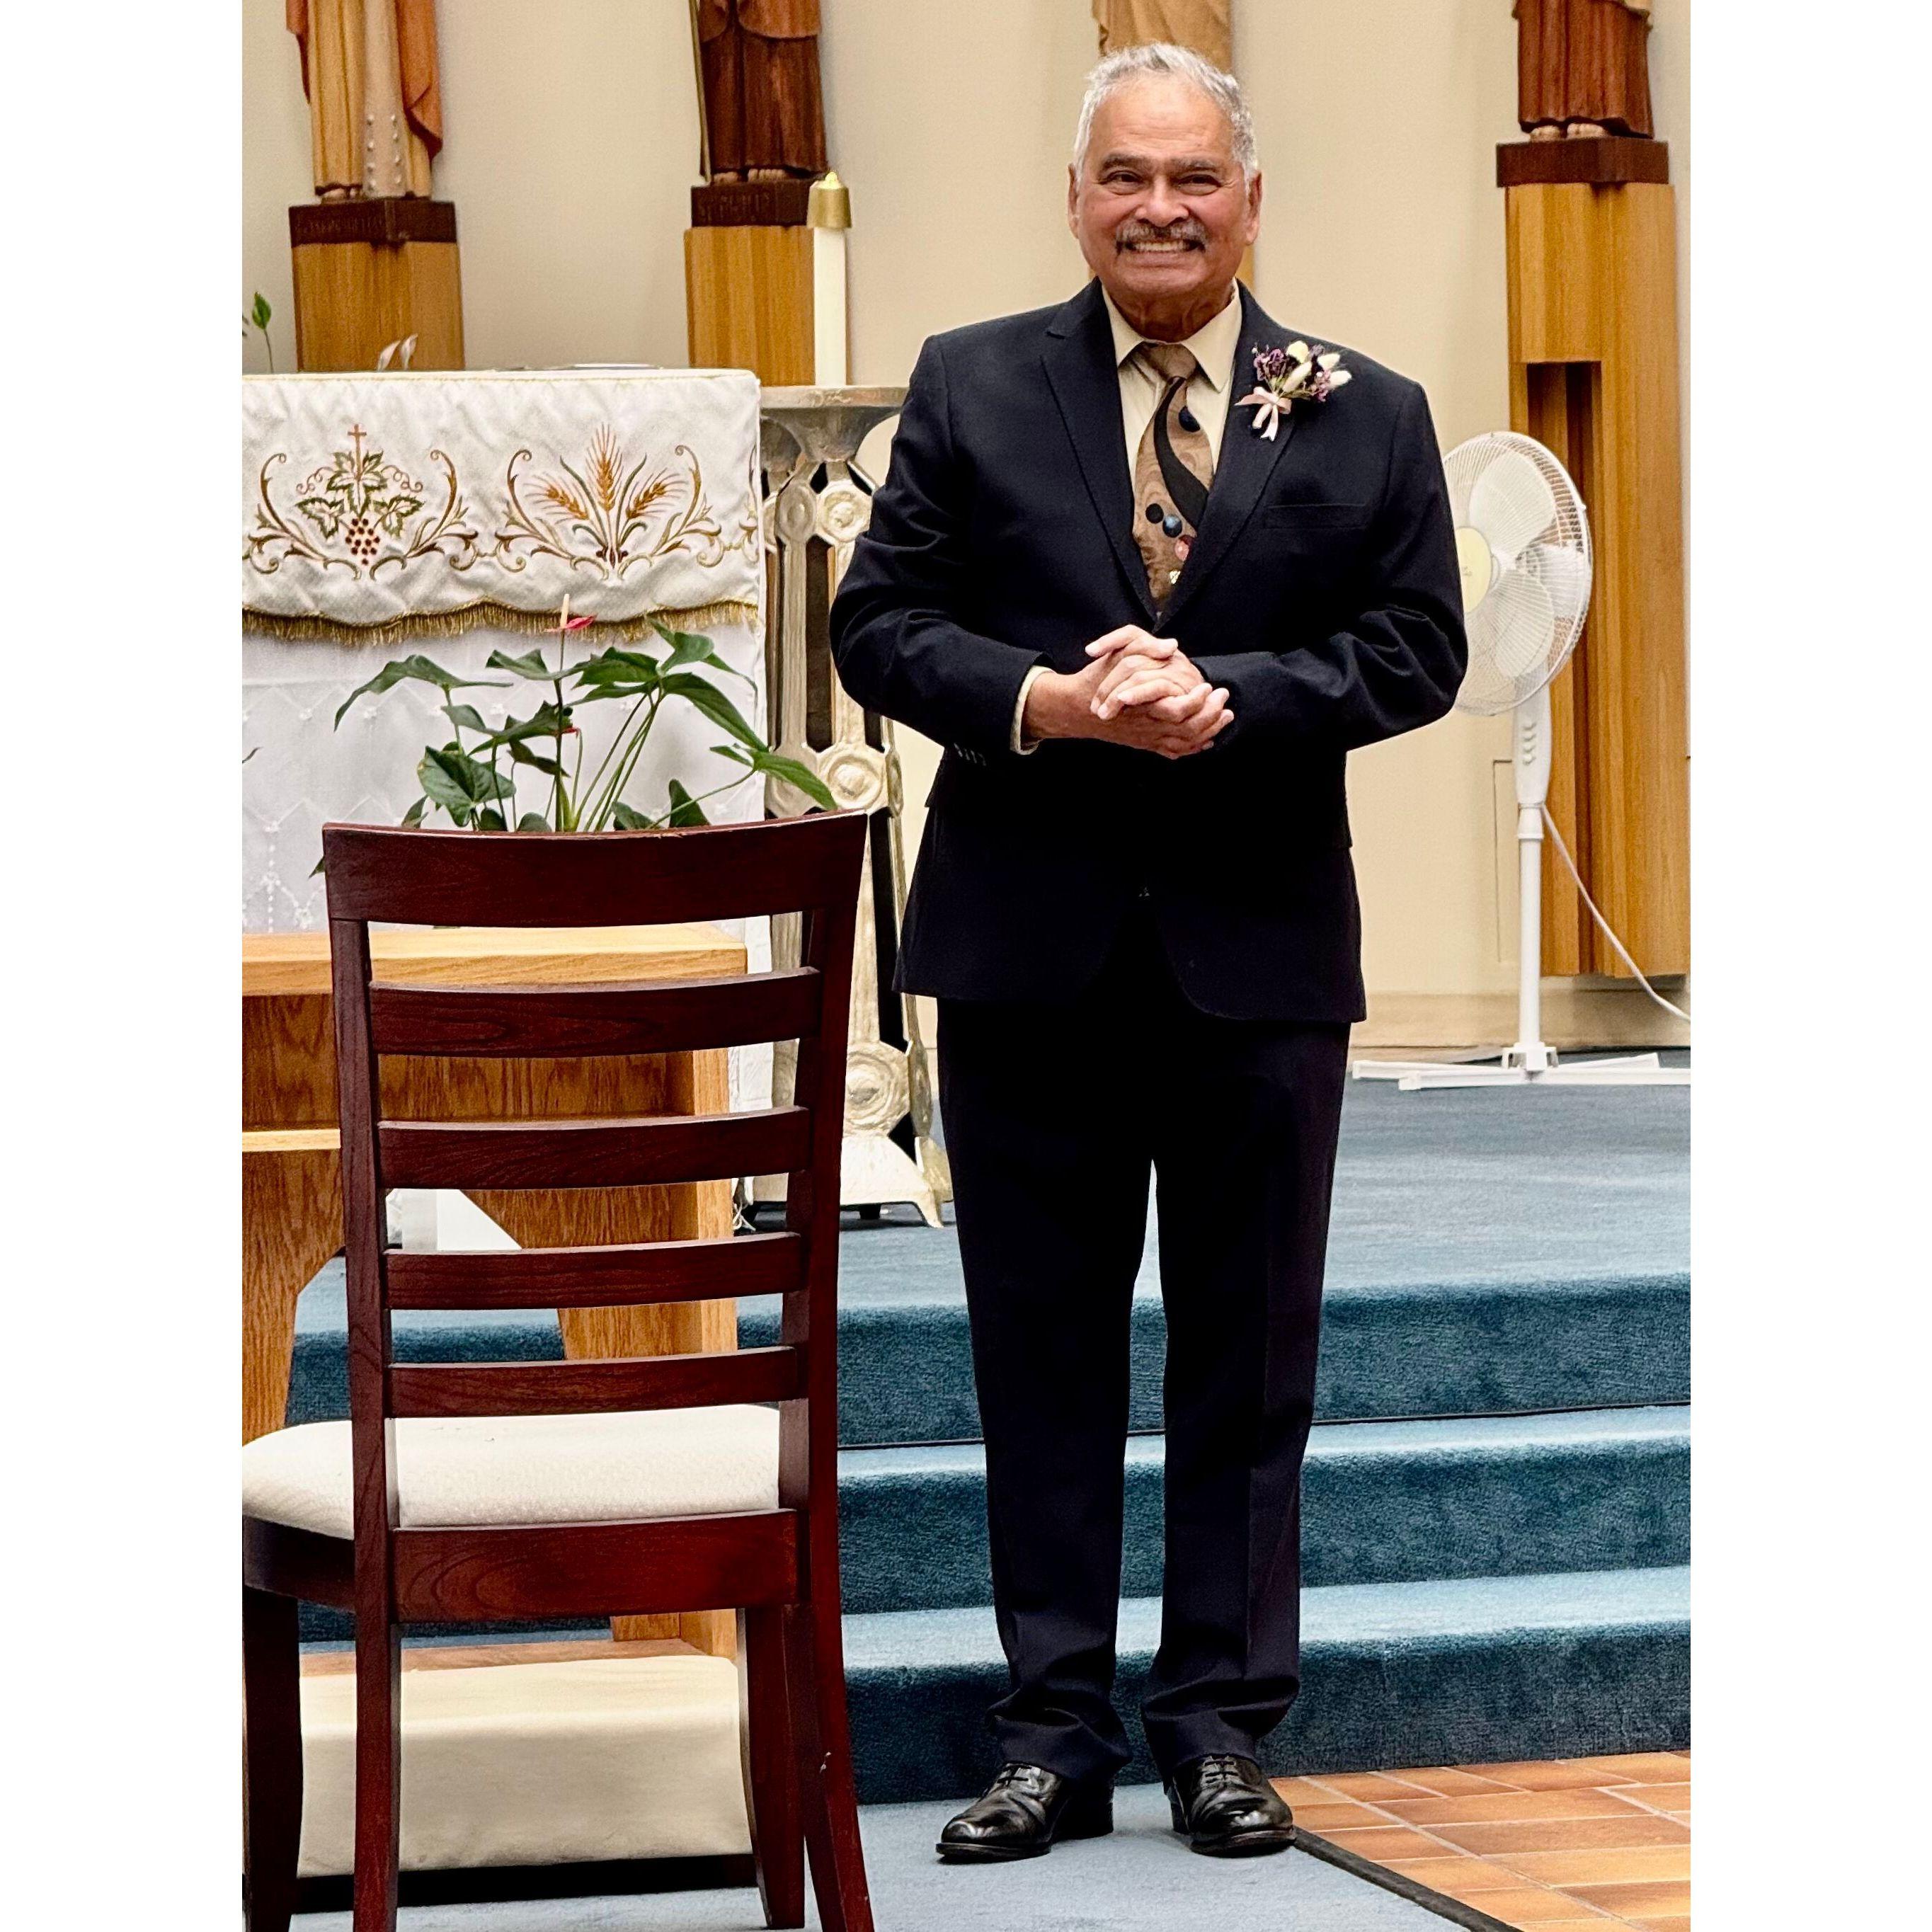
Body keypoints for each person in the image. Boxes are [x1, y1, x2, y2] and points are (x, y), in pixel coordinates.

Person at [830, 43, 1465, 1863]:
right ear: (1079, 195)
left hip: (1258, 954)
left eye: (1195, 178)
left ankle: (1217, 1728)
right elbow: (883, 624)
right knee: (1038, 1354)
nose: (1162, 208)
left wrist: (1231, 699)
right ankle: (1048, 1730)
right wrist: (1041, 701)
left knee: (1248, 1360)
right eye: (1128, 177)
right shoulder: (971, 383)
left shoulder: (1367, 410)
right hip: (1030, 949)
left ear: (1249, 198)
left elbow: (1414, 649)